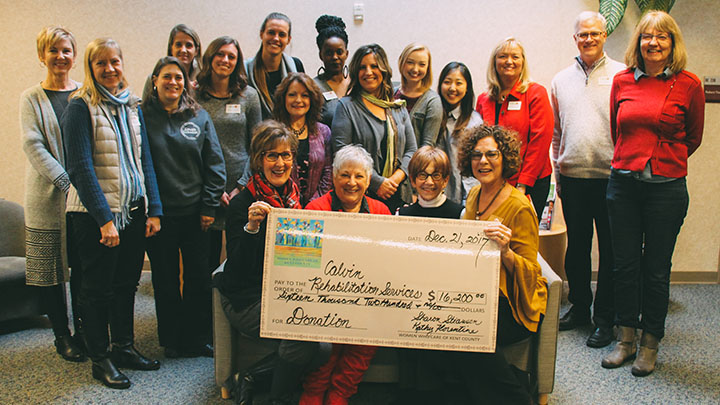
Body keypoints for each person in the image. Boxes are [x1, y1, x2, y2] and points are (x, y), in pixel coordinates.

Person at [601, 11, 704, 377]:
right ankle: (625, 339)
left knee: (656, 270)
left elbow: (693, 137)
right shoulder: (622, 81)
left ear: (672, 43)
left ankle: (649, 343)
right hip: (623, 185)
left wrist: (661, 161)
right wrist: (632, 161)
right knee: (623, 266)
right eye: (647, 36)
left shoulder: (689, 84)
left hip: (666, 190)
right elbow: (618, 130)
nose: (654, 42)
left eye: (662, 36)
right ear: (638, 43)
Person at [62, 38, 163, 389]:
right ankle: (100, 357)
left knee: (125, 286)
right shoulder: (80, 107)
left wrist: (153, 209)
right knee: (96, 290)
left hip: (133, 211)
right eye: (100, 63)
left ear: (122, 63)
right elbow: (79, 167)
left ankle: (124, 347)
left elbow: (143, 161)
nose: (109, 69)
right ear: (90, 68)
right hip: (95, 216)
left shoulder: (131, 105)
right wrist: (105, 219)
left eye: (114, 61)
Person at [430, 125, 547, 404]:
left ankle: (518, 399)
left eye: (492, 154)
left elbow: (533, 273)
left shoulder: (520, 206)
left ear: (505, 158)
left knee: (465, 328)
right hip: (478, 294)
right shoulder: (472, 197)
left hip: (515, 302)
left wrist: (505, 251)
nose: (483, 161)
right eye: (476, 155)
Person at [215, 120, 325, 404]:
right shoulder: (243, 205)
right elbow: (237, 270)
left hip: (283, 292)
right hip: (247, 297)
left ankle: (252, 376)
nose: (280, 162)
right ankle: (279, 399)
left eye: (286, 155)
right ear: (259, 160)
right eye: (271, 155)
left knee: (324, 348)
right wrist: (251, 228)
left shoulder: (295, 200)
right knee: (301, 336)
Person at [142, 56, 226, 358]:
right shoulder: (141, 116)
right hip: (159, 216)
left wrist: (209, 206)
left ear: (185, 82)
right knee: (164, 279)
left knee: (198, 278)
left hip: (195, 213)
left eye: (178, 77)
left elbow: (215, 164)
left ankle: (197, 337)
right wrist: (152, 209)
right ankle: (172, 340)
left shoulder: (198, 116)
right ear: (155, 80)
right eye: (166, 76)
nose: (173, 82)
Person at [551, 11, 626, 347]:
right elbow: (556, 133)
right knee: (577, 249)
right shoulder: (560, 80)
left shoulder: (623, 75)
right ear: (575, 39)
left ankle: (604, 319)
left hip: (613, 178)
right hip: (573, 177)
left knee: (609, 252)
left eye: (595, 33)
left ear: (604, 35)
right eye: (583, 35)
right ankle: (580, 307)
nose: (589, 39)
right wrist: (557, 171)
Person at [300, 145, 390, 405]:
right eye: (345, 175)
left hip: (366, 300)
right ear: (334, 176)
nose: (352, 183)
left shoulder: (381, 212)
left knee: (363, 343)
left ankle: (340, 395)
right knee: (324, 347)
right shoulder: (314, 210)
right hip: (323, 299)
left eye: (359, 176)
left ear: (368, 179)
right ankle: (314, 392)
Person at [20, 26, 84, 362]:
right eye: (53, 50)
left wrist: (82, 185)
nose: (60, 57)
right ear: (42, 55)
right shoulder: (31, 97)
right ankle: (63, 335)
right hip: (46, 196)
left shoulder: (86, 94)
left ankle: (86, 331)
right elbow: (34, 145)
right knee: (50, 271)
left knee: (84, 266)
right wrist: (66, 182)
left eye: (66, 51)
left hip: (83, 198)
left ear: (74, 56)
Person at [196, 36, 262, 271]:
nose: (225, 60)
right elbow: (191, 147)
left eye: (231, 56)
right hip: (204, 190)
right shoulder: (195, 97)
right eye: (220, 54)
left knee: (239, 256)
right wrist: (214, 190)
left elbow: (257, 145)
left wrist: (241, 186)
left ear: (238, 62)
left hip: (240, 189)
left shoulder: (249, 96)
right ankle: (205, 309)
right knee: (204, 261)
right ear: (210, 57)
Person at [332, 44, 417, 213]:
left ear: (384, 70)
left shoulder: (397, 107)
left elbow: (412, 149)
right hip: (362, 196)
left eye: (374, 66)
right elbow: (341, 152)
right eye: (363, 67)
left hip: (399, 192)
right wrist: (378, 183)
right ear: (356, 72)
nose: (368, 72)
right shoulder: (346, 107)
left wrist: (394, 180)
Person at [475, 38, 554, 220]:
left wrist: (523, 184)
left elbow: (540, 142)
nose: (509, 61)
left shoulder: (535, 93)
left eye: (515, 57)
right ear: (494, 62)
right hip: (494, 182)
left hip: (531, 181)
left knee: (522, 238)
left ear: (523, 62)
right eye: (503, 56)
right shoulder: (484, 100)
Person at [272, 73, 332, 205]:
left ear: (312, 99)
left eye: (304, 95)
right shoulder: (272, 132)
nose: (298, 100)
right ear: (283, 98)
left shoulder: (324, 132)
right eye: (292, 95)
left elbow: (328, 173)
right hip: (281, 206)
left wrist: (313, 205)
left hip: (316, 208)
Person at [436, 62, 483, 204]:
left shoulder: (474, 121)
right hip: (433, 194)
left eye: (459, 83)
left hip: (463, 195)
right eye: (447, 82)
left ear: (467, 87)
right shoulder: (433, 115)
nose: (452, 88)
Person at [246, 12, 305, 119]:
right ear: (261, 34)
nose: (276, 38)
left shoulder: (297, 66)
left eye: (282, 34)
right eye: (271, 32)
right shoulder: (244, 69)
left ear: (288, 40)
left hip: (289, 133)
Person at [394, 43, 443, 148]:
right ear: (401, 62)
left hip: (415, 162)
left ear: (428, 68)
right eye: (410, 62)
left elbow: (427, 146)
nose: (415, 69)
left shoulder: (432, 101)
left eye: (422, 64)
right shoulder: (390, 93)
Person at [398, 146, 463, 218]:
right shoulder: (401, 215)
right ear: (413, 180)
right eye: (422, 175)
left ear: (445, 180)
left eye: (436, 175)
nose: (429, 182)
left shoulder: (460, 215)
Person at [142, 24, 202, 100]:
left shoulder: (203, 80)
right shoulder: (154, 78)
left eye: (188, 45)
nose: (183, 50)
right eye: (178, 45)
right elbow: (144, 109)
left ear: (196, 50)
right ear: (171, 48)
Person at [313, 15, 350, 127]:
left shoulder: (357, 83)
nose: (335, 57)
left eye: (339, 52)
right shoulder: (313, 87)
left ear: (346, 54)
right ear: (321, 55)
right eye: (329, 53)